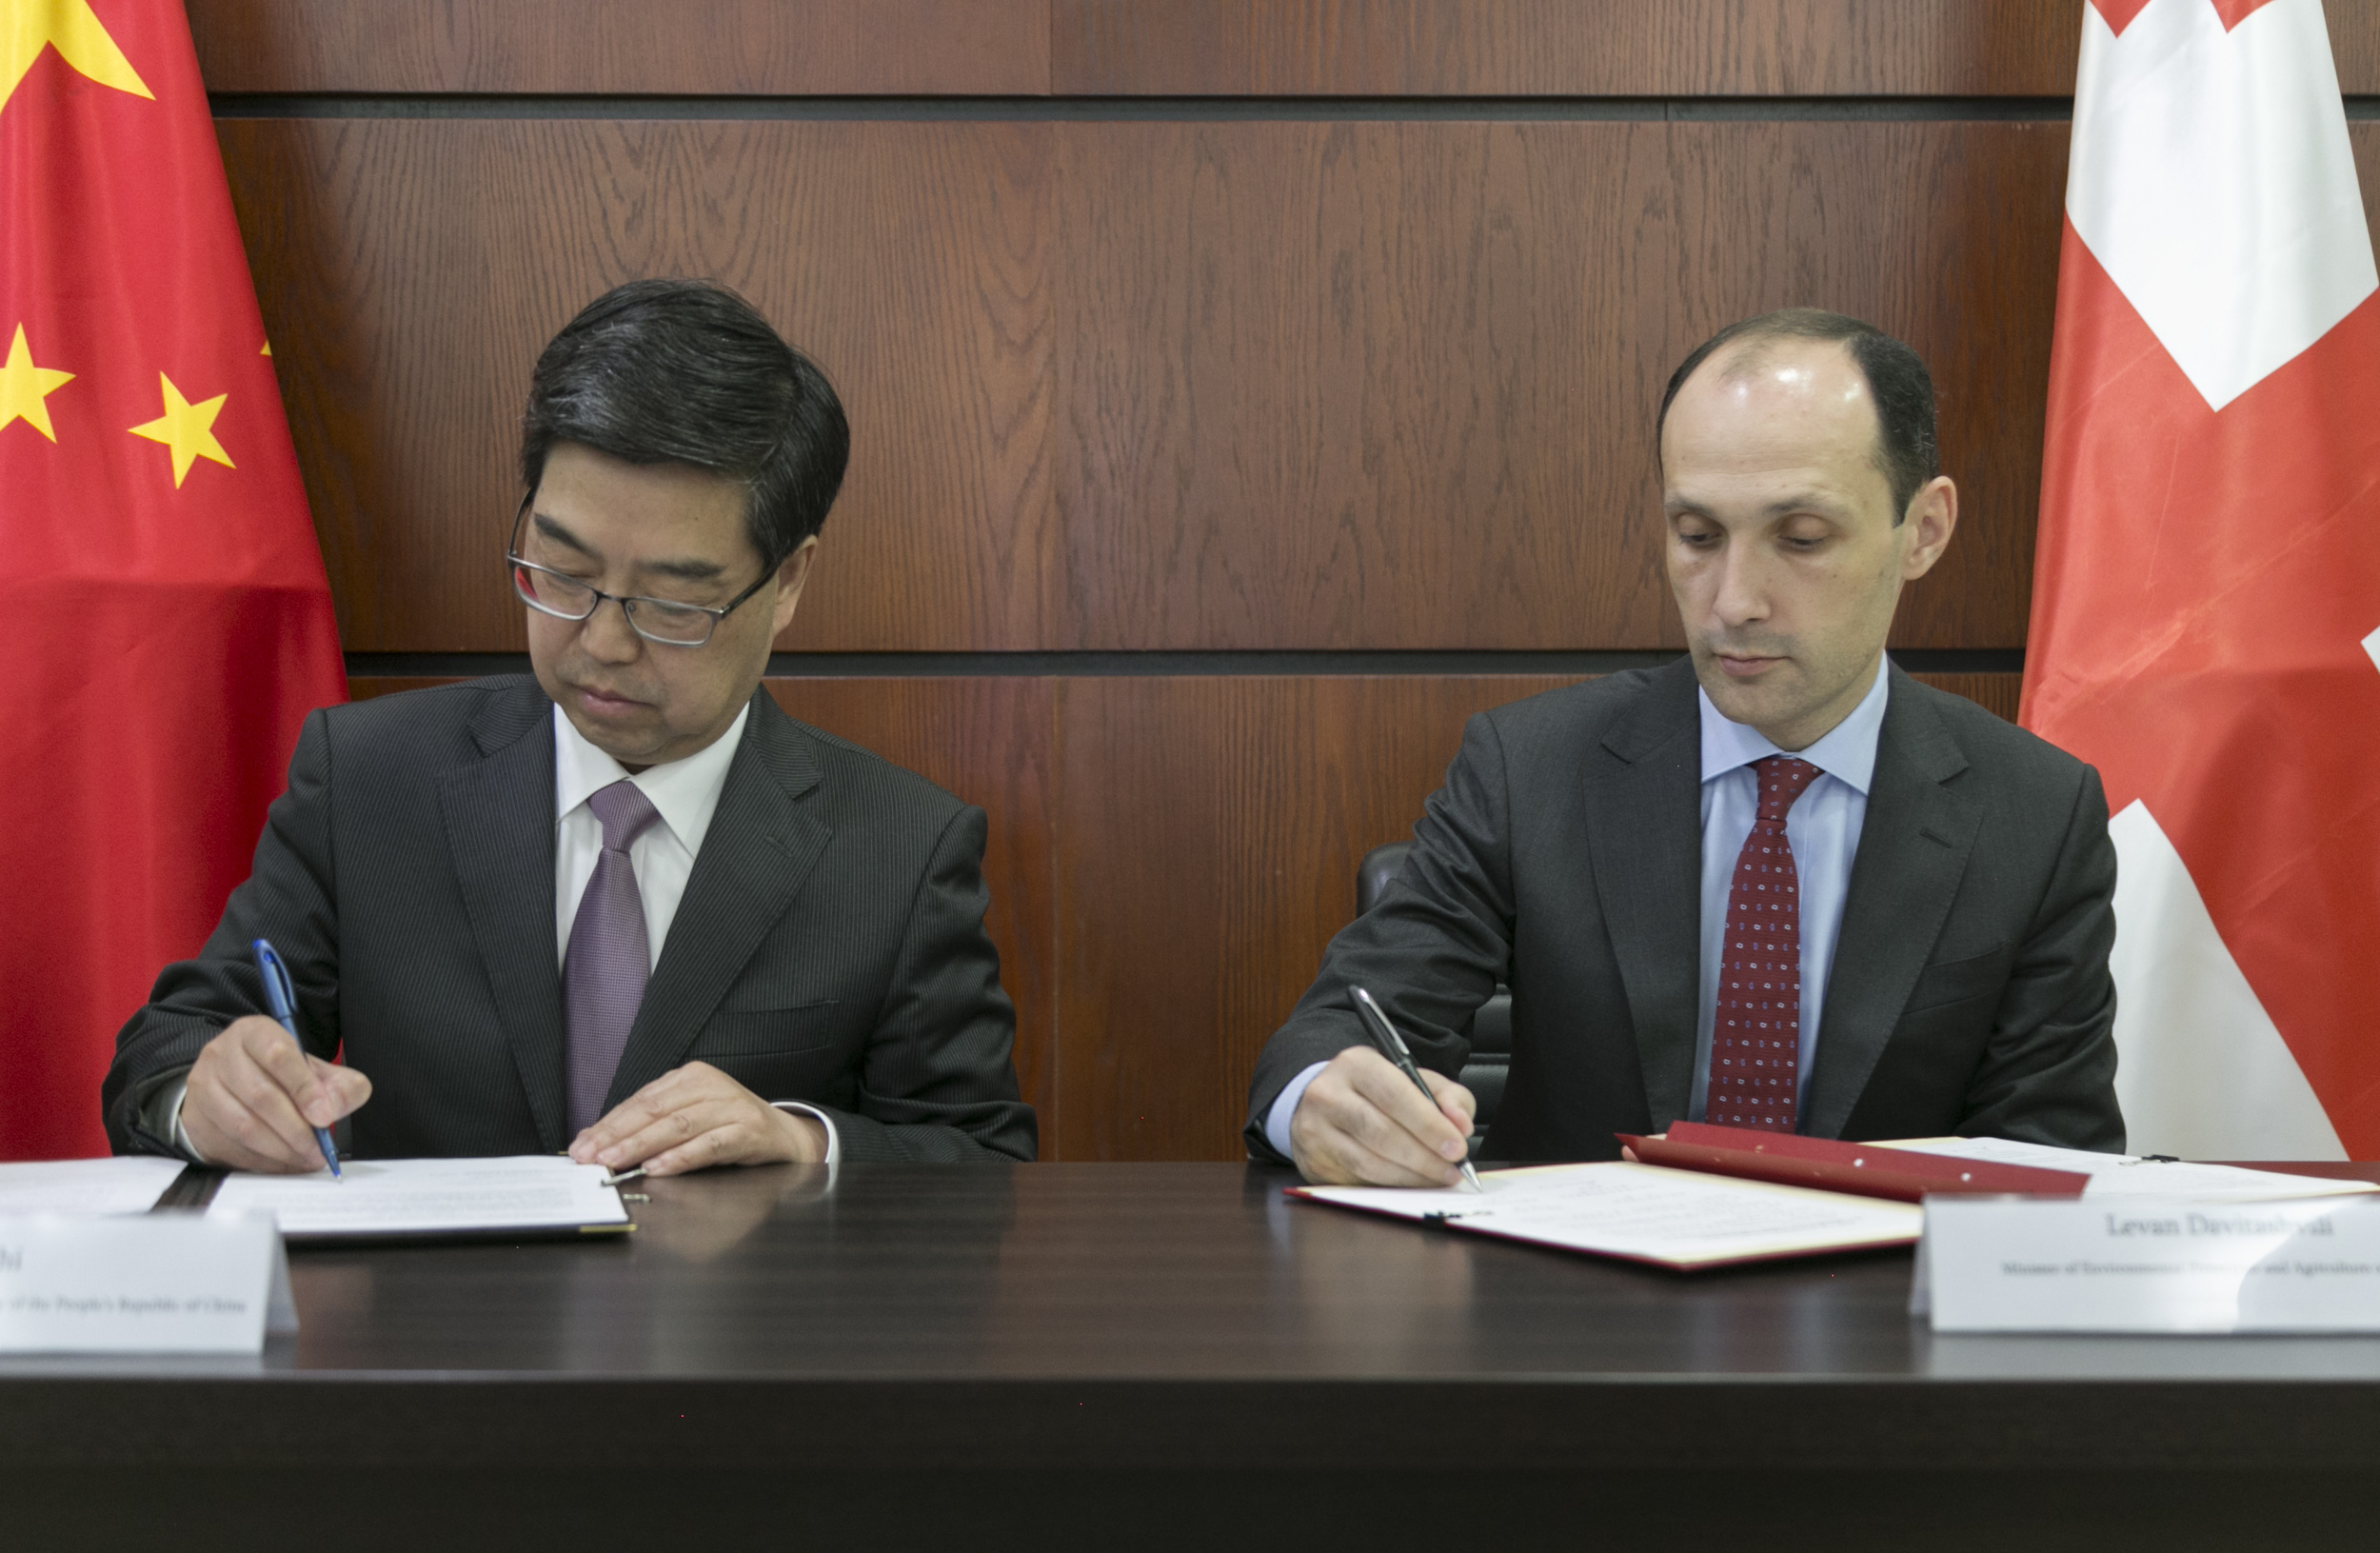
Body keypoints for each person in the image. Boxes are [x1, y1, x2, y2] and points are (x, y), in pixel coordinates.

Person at [105, 280, 1036, 1171]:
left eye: (672, 603)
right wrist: (205, 1093)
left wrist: (804, 1143)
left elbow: (980, 1158)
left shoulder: (900, 850)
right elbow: (172, 1043)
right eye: (562, 572)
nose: (602, 643)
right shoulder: (368, 778)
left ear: (787, 580)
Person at [1248, 309, 2122, 1186]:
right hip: (1579, 1270)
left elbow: (2047, 1162)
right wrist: (1322, 1097)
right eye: (1698, 536)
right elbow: (1341, 1030)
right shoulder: (1530, 768)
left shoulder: (2037, 815)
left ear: (1924, 529)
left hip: (1881, 1275)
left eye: (1801, 538)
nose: (1733, 601)